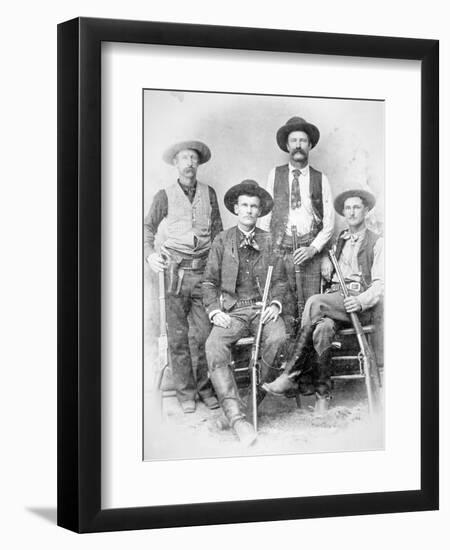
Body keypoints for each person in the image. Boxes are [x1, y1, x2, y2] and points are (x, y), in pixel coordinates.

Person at [262, 189, 383, 413]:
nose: (352, 212)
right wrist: (328, 257)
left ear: (366, 210)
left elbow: (381, 285)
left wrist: (361, 301)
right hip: (335, 302)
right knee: (322, 329)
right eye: (348, 208)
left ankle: (291, 374)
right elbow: (333, 265)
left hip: (356, 304)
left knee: (314, 302)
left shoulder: (377, 242)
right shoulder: (341, 240)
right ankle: (322, 396)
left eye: (356, 207)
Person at [203, 180, 288, 445]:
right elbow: (208, 282)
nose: (249, 210)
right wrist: (215, 310)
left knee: (277, 339)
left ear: (260, 211)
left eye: (254, 206)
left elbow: (281, 282)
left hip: (262, 308)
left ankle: (244, 408)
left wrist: (275, 304)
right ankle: (239, 420)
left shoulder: (269, 240)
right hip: (234, 311)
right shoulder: (222, 240)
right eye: (245, 205)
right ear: (236, 209)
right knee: (214, 346)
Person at [144, 140, 223, 414]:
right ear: (176, 164)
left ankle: (205, 389)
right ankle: (185, 393)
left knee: (203, 334)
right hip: (175, 273)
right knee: (177, 336)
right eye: (184, 158)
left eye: (193, 158)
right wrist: (149, 254)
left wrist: (216, 269)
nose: (189, 163)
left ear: (198, 164)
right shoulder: (163, 195)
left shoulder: (208, 193)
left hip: (203, 272)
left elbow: (218, 235)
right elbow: (147, 228)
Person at [260, 116, 335, 327]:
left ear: (310, 145)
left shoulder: (321, 179)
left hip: (308, 253)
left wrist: (314, 250)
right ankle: (288, 359)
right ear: (287, 145)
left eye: (303, 141)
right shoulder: (275, 175)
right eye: (294, 141)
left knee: (310, 309)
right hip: (281, 251)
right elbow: (265, 216)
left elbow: (329, 223)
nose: (298, 145)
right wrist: (266, 251)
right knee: (284, 306)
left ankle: (307, 360)